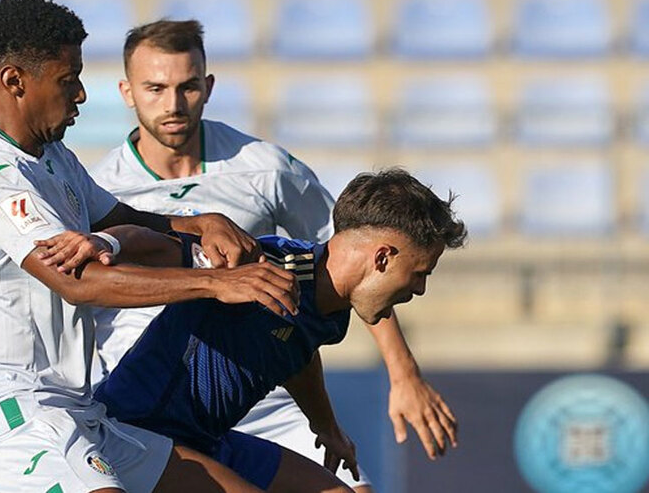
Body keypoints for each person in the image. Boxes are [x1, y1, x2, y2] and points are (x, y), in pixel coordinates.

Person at [0, 0, 303, 492]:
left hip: (77, 410)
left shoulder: (51, 157)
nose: (82, 94)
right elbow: (78, 283)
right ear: (15, 81)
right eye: (69, 79)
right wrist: (216, 282)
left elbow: (127, 221)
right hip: (8, 418)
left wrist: (202, 222)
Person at [85, 19, 458, 491]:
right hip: (145, 408)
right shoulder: (99, 190)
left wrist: (399, 373)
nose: (174, 104)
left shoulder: (265, 169)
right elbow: (135, 253)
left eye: (188, 87)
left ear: (209, 86)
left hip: (257, 396)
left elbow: (351, 270)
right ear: (126, 91)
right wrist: (111, 242)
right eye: (156, 88)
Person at [38, 168, 467, 491]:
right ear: (383, 258)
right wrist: (107, 243)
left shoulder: (331, 311)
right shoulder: (259, 264)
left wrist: (326, 427)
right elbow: (159, 245)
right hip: (136, 433)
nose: (421, 288)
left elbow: (295, 353)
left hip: (206, 440)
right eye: (419, 273)